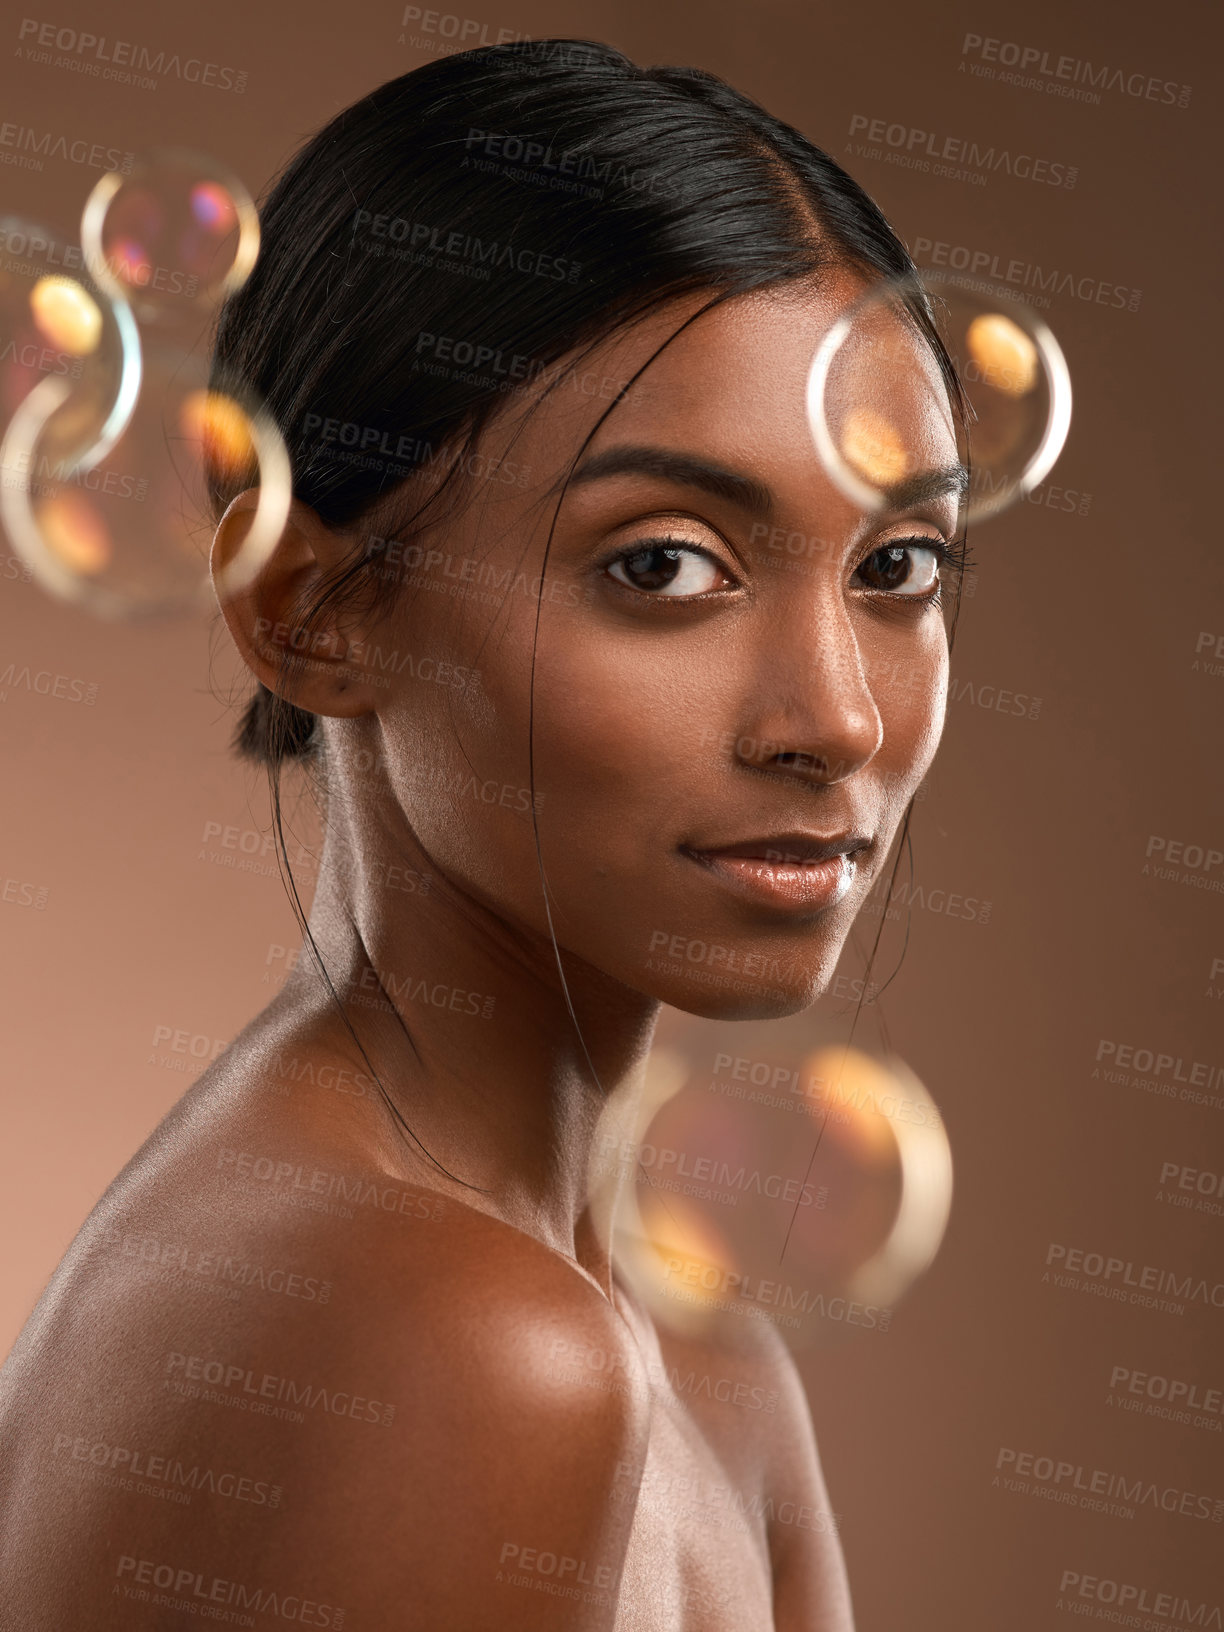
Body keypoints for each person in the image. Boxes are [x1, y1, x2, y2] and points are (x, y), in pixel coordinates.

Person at [0, 38, 967, 1629]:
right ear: (306, 607)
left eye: (899, 567)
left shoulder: (700, 1351)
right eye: (663, 566)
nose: (839, 717)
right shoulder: (467, 1344)